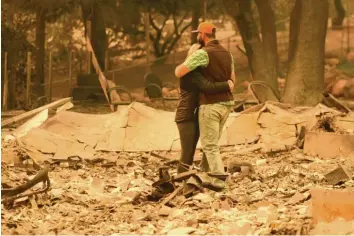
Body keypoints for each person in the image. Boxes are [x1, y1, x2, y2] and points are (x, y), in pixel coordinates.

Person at [175, 22, 236, 190]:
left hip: (210, 105)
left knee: (209, 146)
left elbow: (179, 72)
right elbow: (233, 81)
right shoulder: (228, 54)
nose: (197, 36)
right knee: (212, 144)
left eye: (198, 33)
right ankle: (205, 175)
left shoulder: (202, 53)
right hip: (227, 104)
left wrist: (190, 62)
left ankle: (218, 181)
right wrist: (227, 84)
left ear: (202, 34)